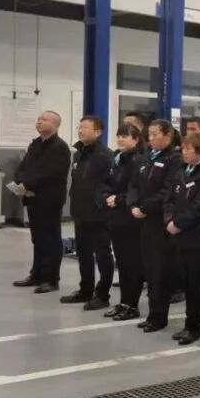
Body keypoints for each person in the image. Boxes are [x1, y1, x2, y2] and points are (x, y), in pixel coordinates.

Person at [164, 132, 200, 345]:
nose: (184, 152)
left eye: (188, 149)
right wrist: (168, 220)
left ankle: (194, 326)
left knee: (196, 284)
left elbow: (199, 208)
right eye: (183, 148)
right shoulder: (182, 171)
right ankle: (188, 324)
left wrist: (178, 224)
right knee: (186, 282)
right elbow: (169, 199)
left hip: (197, 238)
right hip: (180, 236)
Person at [127, 119, 182, 333]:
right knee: (149, 268)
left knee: (160, 270)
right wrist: (133, 204)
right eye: (148, 134)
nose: (150, 138)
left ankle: (159, 316)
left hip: (160, 221)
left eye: (155, 134)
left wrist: (145, 207)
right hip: (144, 221)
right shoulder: (148, 157)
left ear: (168, 135)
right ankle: (152, 313)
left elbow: (168, 190)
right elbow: (134, 184)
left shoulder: (174, 159)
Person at [12, 111, 72, 294]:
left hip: (49, 199)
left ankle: (51, 279)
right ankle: (36, 274)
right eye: (38, 119)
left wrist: (27, 184)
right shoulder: (35, 144)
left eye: (43, 119)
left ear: (55, 124)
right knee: (37, 238)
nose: (39, 122)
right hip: (32, 197)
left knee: (50, 239)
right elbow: (24, 167)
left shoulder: (60, 147)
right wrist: (20, 182)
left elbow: (50, 172)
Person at [62, 115, 115, 310]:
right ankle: (86, 289)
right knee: (83, 253)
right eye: (80, 126)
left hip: (99, 214)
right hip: (80, 211)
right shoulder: (78, 154)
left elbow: (110, 184)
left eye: (85, 127)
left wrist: (102, 203)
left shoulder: (106, 156)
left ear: (97, 132)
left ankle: (102, 294)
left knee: (102, 254)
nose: (80, 130)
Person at [101, 125, 146, 321]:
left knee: (132, 263)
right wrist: (106, 196)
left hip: (130, 219)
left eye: (125, 136)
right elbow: (105, 182)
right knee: (122, 263)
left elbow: (138, 190)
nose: (120, 139)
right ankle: (123, 302)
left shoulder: (139, 161)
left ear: (135, 139)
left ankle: (132, 305)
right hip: (115, 218)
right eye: (119, 135)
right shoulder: (117, 159)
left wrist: (118, 199)